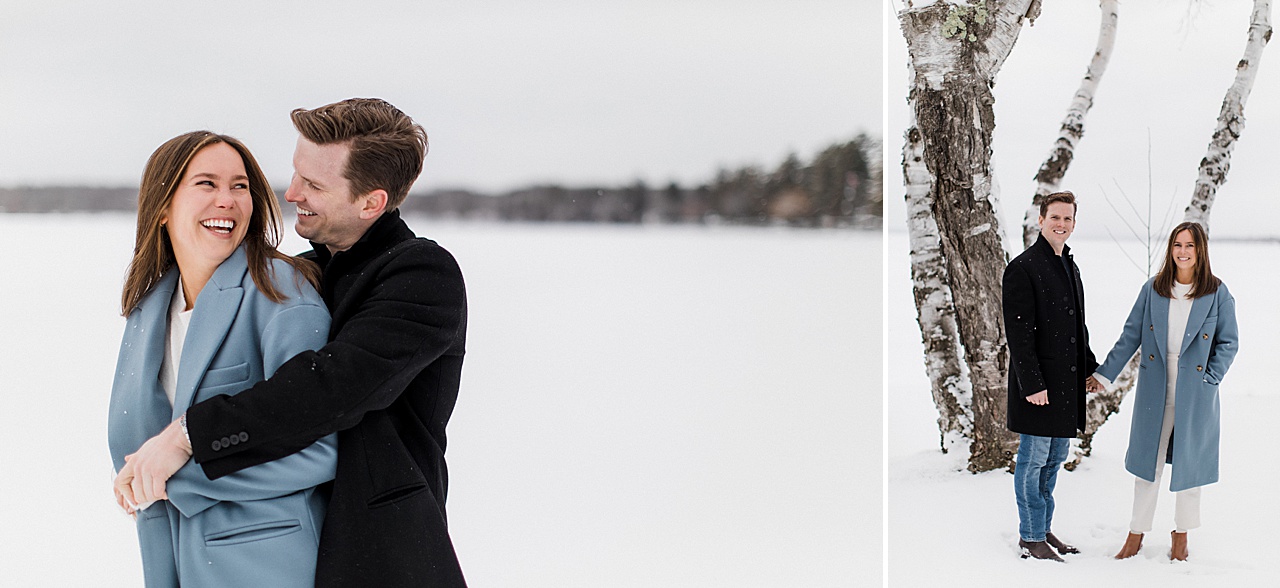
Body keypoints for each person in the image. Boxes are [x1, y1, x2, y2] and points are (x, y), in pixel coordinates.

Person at [114, 98, 469, 586]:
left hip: (382, 552)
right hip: (288, 546)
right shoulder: (302, 272)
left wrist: (186, 437)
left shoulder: (421, 275)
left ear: (371, 203)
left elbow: (331, 387)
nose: (291, 191)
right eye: (297, 173)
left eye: (314, 185)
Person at [108, 131, 336, 586]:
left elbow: (322, 450)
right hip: (172, 564)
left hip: (268, 567)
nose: (227, 200)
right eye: (206, 184)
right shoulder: (147, 310)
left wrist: (176, 477)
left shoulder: (283, 293)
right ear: (163, 207)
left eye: (239, 186)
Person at [1090, 221, 1238, 561]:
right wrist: (1104, 375)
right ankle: (1136, 533)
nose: (1183, 252)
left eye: (1190, 245)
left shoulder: (1217, 292)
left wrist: (1210, 379)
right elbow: (1130, 335)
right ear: (1171, 249)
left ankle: (1181, 535)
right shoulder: (1153, 289)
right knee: (1148, 465)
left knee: (1190, 467)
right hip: (1155, 388)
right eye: (1177, 245)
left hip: (1195, 392)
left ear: (1200, 250)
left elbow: (1229, 342)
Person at [1002, 191, 1101, 562]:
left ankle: (1042, 530)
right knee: (1033, 461)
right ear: (1041, 220)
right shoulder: (1023, 268)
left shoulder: (1069, 266)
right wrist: (1033, 384)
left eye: (1067, 218)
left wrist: (1089, 369)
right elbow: (1019, 334)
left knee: (1054, 458)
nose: (1061, 224)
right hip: (1039, 387)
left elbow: (1077, 327)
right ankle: (1030, 537)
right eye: (1055, 217)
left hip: (1065, 384)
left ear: (1074, 223)